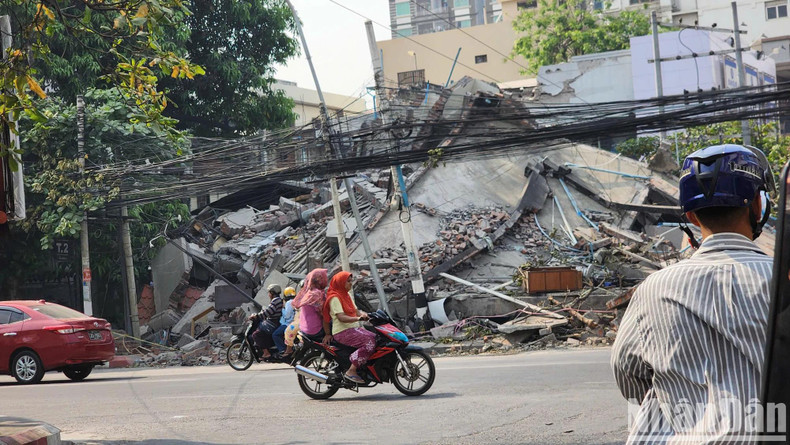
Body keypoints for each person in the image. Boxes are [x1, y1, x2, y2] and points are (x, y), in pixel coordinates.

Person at [611, 144, 774, 443]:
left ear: (692, 216)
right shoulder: (779, 279)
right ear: (755, 206)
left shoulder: (653, 289)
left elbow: (628, 374)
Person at [322, 271, 376, 384]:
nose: (351, 283)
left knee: (376, 337)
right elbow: (341, 317)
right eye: (348, 281)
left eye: (351, 281)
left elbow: (356, 311)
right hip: (342, 331)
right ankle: (351, 371)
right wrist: (358, 319)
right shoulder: (335, 298)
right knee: (370, 341)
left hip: (354, 329)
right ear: (341, 282)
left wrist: (367, 314)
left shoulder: (347, 295)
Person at [291, 268, 329, 345]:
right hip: (315, 330)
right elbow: (324, 315)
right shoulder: (316, 294)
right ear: (320, 280)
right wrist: (328, 334)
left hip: (303, 328)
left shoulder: (307, 291)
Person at [249, 283, 284, 359]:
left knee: (256, 334)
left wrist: (257, 316)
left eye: (269, 293)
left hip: (273, 323)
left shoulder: (275, 301)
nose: (268, 294)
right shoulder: (279, 300)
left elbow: (268, 312)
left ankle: (266, 352)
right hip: (275, 322)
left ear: (272, 293)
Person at [272, 286, 296, 357]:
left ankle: (282, 350)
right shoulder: (295, 301)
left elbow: (287, 316)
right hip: (294, 323)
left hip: (288, 324)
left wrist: (282, 309)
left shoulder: (289, 303)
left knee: (275, 335)